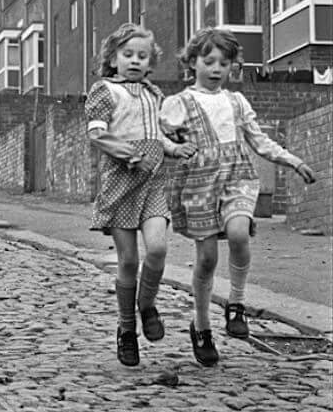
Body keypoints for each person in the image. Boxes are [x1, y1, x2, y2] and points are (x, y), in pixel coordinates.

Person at [161, 28, 316, 367]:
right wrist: (173, 148)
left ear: (233, 66)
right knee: (206, 260)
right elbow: (158, 138)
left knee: (238, 234)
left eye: (224, 63)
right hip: (200, 183)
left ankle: (236, 303)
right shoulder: (178, 104)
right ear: (192, 62)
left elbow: (260, 141)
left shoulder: (236, 101)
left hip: (237, 177)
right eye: (209, 61)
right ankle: (201, 326)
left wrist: (293, 160)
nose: (217, 69)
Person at [85, 23, 196, 367]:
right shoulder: (104, 91)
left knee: (159, 249)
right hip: (121, 182)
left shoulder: (153, 95)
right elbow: (97, 134)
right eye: (127, 54)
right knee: (129, 261)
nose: (134, 61)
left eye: (142, 56)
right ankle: (127, 329)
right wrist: (129, 155)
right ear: (113, 58)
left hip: (151, 185)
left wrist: (175, 149)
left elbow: (156, 135)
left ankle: (147, 305)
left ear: (151, 62)